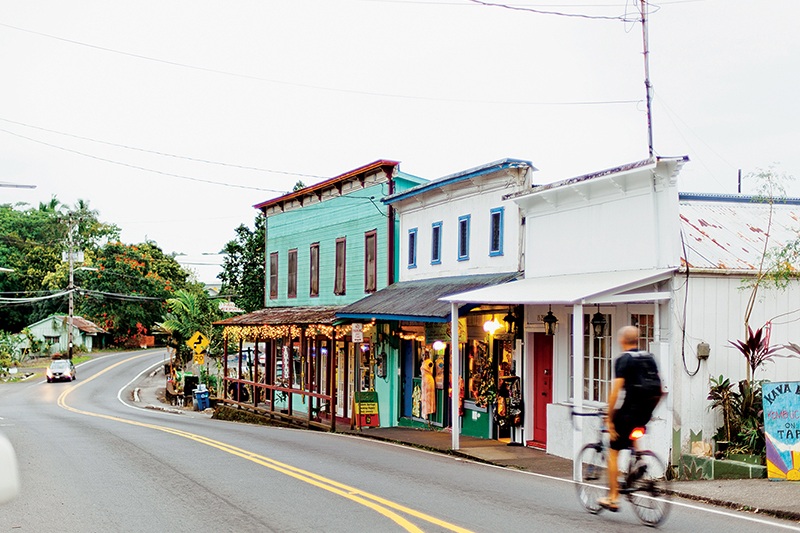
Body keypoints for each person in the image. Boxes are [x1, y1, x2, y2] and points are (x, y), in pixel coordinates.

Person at [598, 325, 661, 511]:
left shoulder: (623, 360)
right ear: (637, 340)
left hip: (630, 411)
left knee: (613, 450)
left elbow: (615, 392)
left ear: (621, 340)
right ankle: (639, 460)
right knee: (631, 430)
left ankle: (613, 497)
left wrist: (609, 420)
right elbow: (659, 388)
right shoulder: (649, 358)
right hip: (646, 411)